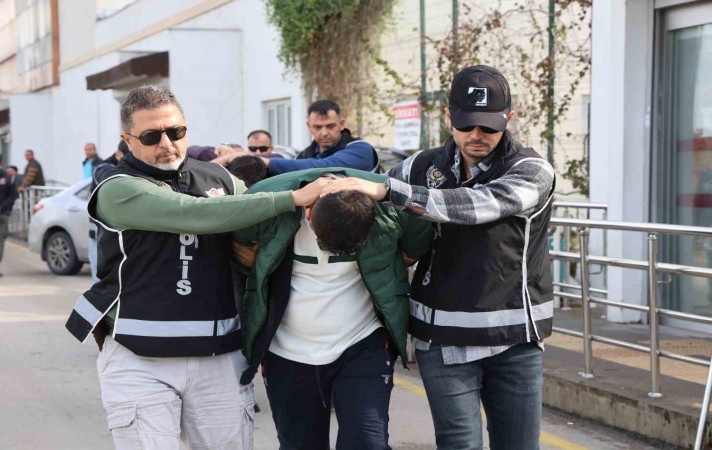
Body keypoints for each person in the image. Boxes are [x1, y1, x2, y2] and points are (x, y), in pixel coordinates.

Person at [64, 85, 325, 450]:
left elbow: (257, 226)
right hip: (138, 359)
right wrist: (293, 197)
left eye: (176, 132)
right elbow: (192, 213)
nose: (167, 144)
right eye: (151, 136)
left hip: (220, 358)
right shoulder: (117, 188)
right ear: (127, 141)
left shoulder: (221, 179)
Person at [323, 65, 556, 450]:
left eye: (488, 126)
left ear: (509, 118)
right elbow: (371, 205)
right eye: (466, 125)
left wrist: (391, 192)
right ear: (449, 117)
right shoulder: (419, 167)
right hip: (441, 336)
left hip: (514, 339)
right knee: (458, 443)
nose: (476, 135)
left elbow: (476, 205)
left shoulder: (531, 170)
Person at [234, 167, 431, 449]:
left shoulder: (393, 203)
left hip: (362, 342)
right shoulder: (266, 199)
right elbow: (242, 249)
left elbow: (411, 250)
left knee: (368, 443)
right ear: (309, 214)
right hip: (286, 350)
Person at [215, 101, 378, 174]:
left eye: (330, 126)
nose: (324, 133)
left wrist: (265, 161)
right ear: (309, 126)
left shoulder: (360, 149)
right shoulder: (304, 155)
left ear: (342, 124)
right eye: (317, 127)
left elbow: (323, 167)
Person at [87, 140, 131, 282]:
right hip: (99, 232)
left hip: (118, 233)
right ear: (118, 154)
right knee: (100, 279)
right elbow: (114, 179)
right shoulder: (103, 168)